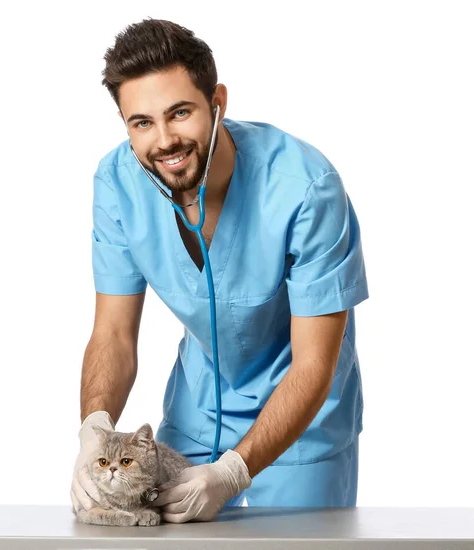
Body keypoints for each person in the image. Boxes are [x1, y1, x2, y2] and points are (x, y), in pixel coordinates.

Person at [70, 18, 369, 523]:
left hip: (303, 421)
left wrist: (233, 471)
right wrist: (93, 428)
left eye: (179, 112)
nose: (163, 140)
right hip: (196, 412)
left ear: (217, 103)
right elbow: (114, 334)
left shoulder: (306, 188)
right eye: (140, 122)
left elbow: (315, 365)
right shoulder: (117, 183)